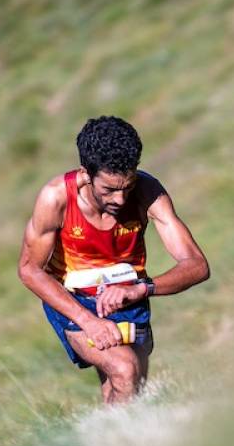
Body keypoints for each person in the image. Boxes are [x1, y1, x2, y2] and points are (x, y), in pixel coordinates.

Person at [17, 116, 209, 403]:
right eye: (108, 190)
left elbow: (197, 265)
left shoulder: (147, 192)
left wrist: (142, 289)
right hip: (76, 301)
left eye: (127, 187)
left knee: (126, 389)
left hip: (129, 298)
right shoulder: (56, 198)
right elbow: (29, 270)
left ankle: (107, 432)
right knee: (124, 370)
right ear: (86, 174)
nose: (120, 199)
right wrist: (88, 321)